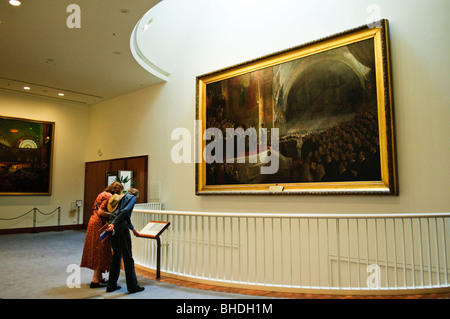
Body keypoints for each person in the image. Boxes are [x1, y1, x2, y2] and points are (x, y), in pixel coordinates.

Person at [80, 181, 124, 288]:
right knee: (100, 250)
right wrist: (113, 215)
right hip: (99, 224)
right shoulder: (109, 196)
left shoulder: (102, 193)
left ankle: (99, 278)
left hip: (93, 221)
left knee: (97, 249)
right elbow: (101, 212)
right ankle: (95, 280)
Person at [106, 188, 145, 294]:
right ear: (136, 195)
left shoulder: (121, 197)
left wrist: (133, 229)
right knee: (127, 256)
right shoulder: (132, 198)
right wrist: (115, 223)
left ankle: (111, 285)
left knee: (116, 255)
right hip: (120, 226)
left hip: (112, 225)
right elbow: (125, 212)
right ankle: (133, 286)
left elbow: (124, 216)